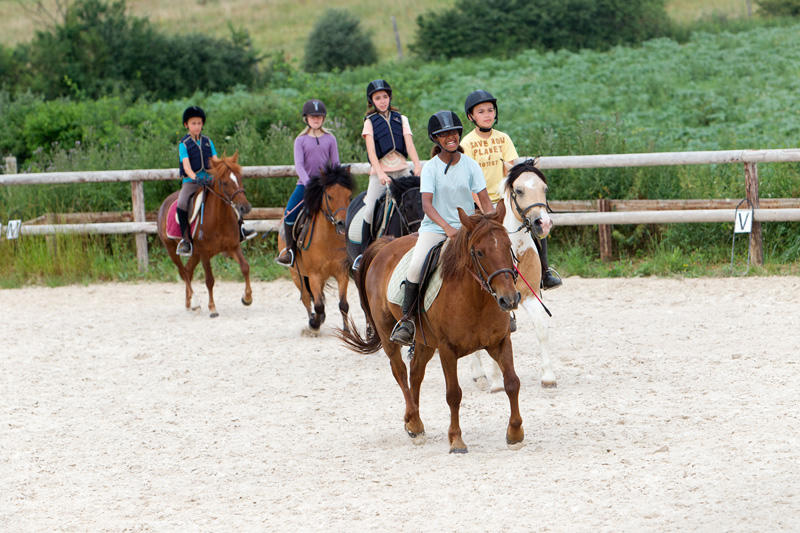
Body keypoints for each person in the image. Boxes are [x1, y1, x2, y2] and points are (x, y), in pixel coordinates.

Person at [390, 110, 493, 345]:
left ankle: (505, 308)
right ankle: (407, 320)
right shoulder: (431, 168)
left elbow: (485, 200)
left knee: (495, 258)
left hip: (469, 227)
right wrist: (447, 228)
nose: (451, 137)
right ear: (436, 139)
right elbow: (426, 204)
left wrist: (492, 224)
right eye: (444, 134)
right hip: (435, 228)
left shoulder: (471, 166)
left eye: (454, 132)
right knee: (416, 266)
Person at [461, 89, 561, 290]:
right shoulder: (467, 143)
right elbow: (468, 180)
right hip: (477, 200)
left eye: (490, 110)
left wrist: (507, 201)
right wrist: (484, 205)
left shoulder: (503, 139)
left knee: (535, 220)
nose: (487, 115)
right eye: (481, 111)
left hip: (504, 199)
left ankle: (544, 271)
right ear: (471, 116)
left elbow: (510, 171)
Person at [355, 79, 422, 268]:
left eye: (385, 97)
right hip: (380, 172)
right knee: (369, 210)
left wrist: (416, 165)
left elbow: (409, 144)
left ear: (389, 97)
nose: (382, 101)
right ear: (372, 101)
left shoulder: (401, 119)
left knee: (419, 202)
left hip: (402, 169)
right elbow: (371, 153)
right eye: (378, 98)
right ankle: (363, 252)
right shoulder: (369, 122)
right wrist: (380, 173)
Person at [176, 105, 254, 257]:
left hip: (210, 178)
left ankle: (240, 230)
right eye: (193, 123)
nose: (197, 126)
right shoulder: (183, 144)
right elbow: (186, 167)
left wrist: (222, 169)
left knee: (231, 193)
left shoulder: (207, 141)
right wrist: (196, 178)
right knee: (182, 203)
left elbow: (216, 161)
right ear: (187, 125)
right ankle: (186, 240)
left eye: (199, 123)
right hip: (191, 182)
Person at [276, 99, 341, 266]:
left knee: (343, 211)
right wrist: (309, 183)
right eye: (313, 117)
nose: (316, 119)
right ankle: (290, 250)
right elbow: (299, 165)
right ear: (306, 119)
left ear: (323, 118)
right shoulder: (301, 140)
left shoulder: (330, 139)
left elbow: (335, 164)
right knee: (289, 213)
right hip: (306, 185)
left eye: (319, 117)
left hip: (327, 185)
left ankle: (346, 249)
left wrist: (330, 182)